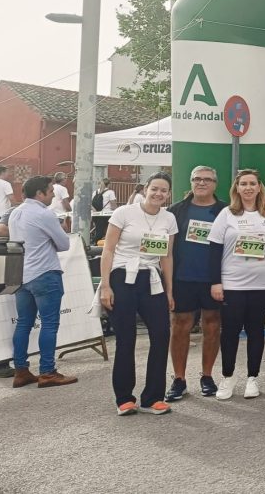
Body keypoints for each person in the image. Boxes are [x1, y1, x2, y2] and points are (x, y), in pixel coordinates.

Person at [98, 172, 177, 416]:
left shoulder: (169, 218)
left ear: (168, 194)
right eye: (154, 189)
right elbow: (108, 250)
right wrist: (106, 285)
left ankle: (153, 397)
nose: (158, 194)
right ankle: (124, 398)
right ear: (145, 189)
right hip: (123, 277)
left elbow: (167, 256)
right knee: (126, 339)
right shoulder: (124, 213)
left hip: (152, 280)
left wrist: (169, 291)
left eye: (163, 190)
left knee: (162, 335)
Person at [207, 169, 265, 400]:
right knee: (230, 332)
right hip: (232, 283)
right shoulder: (226, 214)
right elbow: (214, 250)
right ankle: (228, 376)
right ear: (236, 188)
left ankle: (253, 378)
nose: (248, 188)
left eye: (252, 183)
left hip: (261, 284)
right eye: (243, 184)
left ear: (259, 187)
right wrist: (215, 282)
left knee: (256, 331)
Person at [7, 176, 77, 388]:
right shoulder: (44, 213)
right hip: (45, 272)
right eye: (50, 191)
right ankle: (47, 371)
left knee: (23, 323)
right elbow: (64, 244)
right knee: (49, 323)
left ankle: (21, 370)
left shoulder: (15, 213)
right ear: (39, 193)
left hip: (21, 275)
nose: (53, 194)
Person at [165, 165, 227, 401]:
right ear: (190, 182)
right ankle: (179, 379)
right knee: (180, 326)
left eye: (207, 180)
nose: (202, 183)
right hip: (183, 277)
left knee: (212, 325)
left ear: (215, 184)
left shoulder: (226, 211)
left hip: (213, 280)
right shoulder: (175, 211)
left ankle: (207, 376)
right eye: (197, 179)